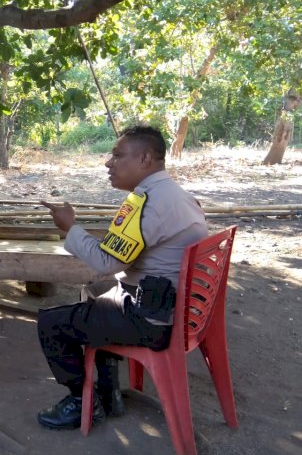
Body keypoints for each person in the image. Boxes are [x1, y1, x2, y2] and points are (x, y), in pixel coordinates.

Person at [36, 125, 208, 429]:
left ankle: (81, 403)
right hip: (176, 307)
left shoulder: (147, 205)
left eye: (117, 155)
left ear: (144, 158)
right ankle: (108, 392)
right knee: (96, 291)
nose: (108, 162)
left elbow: (106, 262)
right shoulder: (174, 195)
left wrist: (70, 227)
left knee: (51, 323)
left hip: (152, 320)